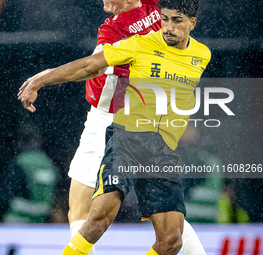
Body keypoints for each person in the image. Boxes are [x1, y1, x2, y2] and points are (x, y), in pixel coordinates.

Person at [18, 0, 211, 254]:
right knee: (168, 224)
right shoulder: (156, 9)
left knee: (83, 211)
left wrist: (44, 77)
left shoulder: (115, 30)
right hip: (148, 126)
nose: (104, 2)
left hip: (113, 120)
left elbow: (91, 68)